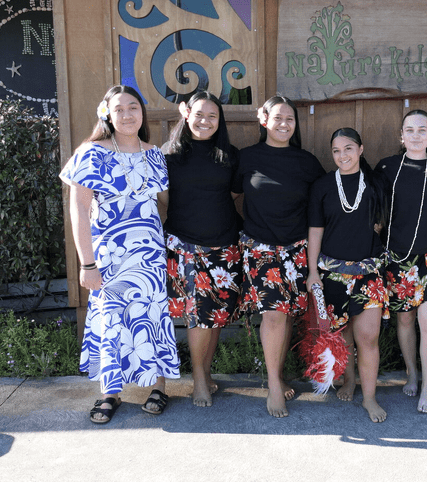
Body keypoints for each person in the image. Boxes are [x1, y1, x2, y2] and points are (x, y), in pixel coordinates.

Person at [59, 85, 179, 424]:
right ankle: (109, 392)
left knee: (152, 317)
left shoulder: (154, 154)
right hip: (109, 257)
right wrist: (87, 263)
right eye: (119, 109)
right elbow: (79, 211)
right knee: (111, 320)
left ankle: (158, 386)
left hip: (149, 258)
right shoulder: (91, 153)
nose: (127, 114)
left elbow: (163, 204)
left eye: (133, 107)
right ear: (107, 115)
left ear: (142, 113)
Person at [236, 95, 325, 417]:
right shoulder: (247, 158)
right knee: (273, 316)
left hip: (297, 250)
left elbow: (323, 203)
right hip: (260, 249)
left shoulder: (307, 162)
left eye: (290, 119)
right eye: (278, 118)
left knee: (286, 316)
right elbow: (228, 195)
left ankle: (279, 373)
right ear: (264, 121)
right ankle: (274, 384)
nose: (284, 124)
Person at [161, 91, 241, 408]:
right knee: (198, 316)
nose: (205, 121)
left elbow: (232, 194)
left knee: (216, 315)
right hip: (185, 245)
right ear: (186, 114)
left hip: (225, 246)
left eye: (212, 116)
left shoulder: (230, 155)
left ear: (219, 121)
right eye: (199, 114)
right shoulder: (169, 155)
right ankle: (198, 380)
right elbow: (164, 199)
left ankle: (205, 373)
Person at [307, 127, 389, 423]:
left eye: (348, 148)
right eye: (336, 151)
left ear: (361, 149)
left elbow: (386, 222)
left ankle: (369, 397)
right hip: (333, 275)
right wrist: (312, 272)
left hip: (368, 274)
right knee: (343, 337)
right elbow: (315, 231)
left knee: (368, 337)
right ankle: (350, 380)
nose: (343, 155)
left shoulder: (376, 183)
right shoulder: (323, 186)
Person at [377, 110, 427, 413]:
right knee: (405, 320)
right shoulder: (387, 167)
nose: (416, 135)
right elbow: (375, 211)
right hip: (397, 258)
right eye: (409, 130)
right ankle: (411, 373)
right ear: (401, 136)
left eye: (422, 130)